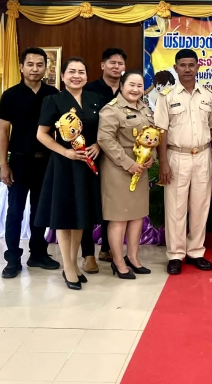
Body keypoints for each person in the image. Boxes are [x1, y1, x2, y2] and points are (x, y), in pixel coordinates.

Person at [35, 57, 102, 290]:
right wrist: (65, 152)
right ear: (63, 76)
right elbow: (41, 134)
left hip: (88, 165)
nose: (76, 76)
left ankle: (72, 264)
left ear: (87, 76)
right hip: (64, 166)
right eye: (71, 71)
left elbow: (103, 130)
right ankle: (68, 267)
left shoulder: (94, 99)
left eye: (81, 72)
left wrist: (98, 145)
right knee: (64, 218)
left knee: (80, 217)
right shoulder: (53, 100)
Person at [0, 47, 61, 278]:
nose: (35, 69)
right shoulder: (10, 95)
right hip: (19, 162)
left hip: (46, 162)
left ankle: (38, 253)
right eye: (30, 64)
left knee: (39, 211)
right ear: (21, 67)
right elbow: (4, 131)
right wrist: (4, 164)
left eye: (39, 65)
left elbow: (59, 130)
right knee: (15, 211)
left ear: (46, 68)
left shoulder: (53, 94)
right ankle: (12, 258)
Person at [155, 49, 212, 275]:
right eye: (183, 65)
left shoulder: (208, 95)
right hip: (176, 155)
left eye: (192, 65)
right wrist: (163, 162)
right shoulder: (167, 96)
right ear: (175, 68)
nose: (187, 69)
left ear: (198, 67)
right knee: (176, 207)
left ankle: (196, 251)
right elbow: (161, 130)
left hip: (202, 155)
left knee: (200, 206)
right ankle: (175, 254)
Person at [97, 70, 156, 279]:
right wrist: (128, 163)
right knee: (119, 217)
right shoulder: (111, 110)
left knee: (137, 215)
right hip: (118, 170)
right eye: (131, 85)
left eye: (139, 85)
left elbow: (151, 135)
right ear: (121, 85)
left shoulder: (144, 108)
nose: (136, 89)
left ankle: (133, 257)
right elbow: (105, 140)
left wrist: (151, 156)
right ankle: (118, 261)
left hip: (140, 168)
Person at [82, 47, 126, 271]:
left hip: (118, 156)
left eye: (120, 63)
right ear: (102, 65)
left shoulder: (128, 89)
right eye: (112, 63)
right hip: (93, 154)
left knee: (113, 203)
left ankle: (107, 248)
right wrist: (98, 144)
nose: (116, 67)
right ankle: (88, 254)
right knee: (89, 203)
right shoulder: (89, 90)